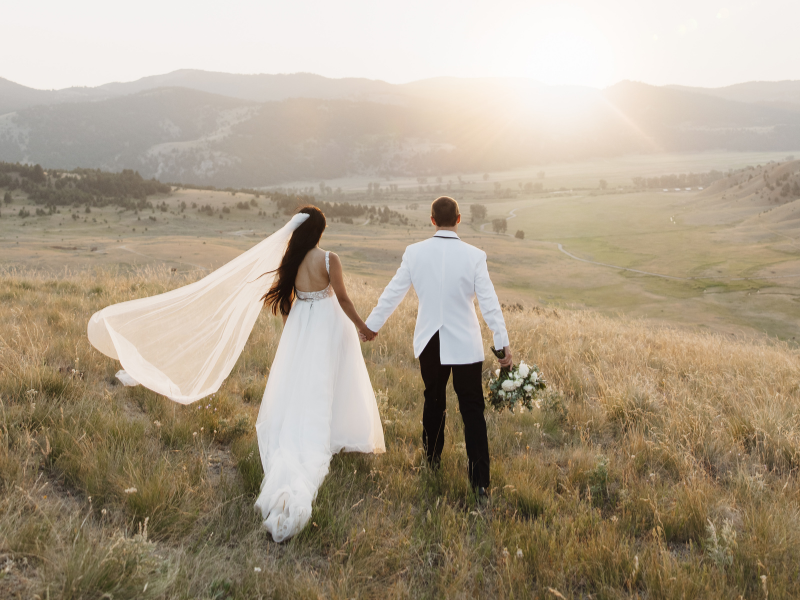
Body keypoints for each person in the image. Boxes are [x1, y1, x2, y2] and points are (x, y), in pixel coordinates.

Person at [87, 207, 385, 543]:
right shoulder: (329, 259)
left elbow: (289, 301)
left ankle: (308, 435)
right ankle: (326, 440)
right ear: (320, 231)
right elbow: (342, 297)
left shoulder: (292, 260)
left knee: (303, 386)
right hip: (327, 326)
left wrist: (295, 334)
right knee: (328, 383)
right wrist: (362, 326)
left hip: (301, 327)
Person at [363, 196, 511, 499]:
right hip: (465, 343)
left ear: (432, 220)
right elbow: (489, 303)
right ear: (459, 219)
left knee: (434, 402)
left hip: (430, 340)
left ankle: (431, 464)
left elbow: (393, 293)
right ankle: (479, 482)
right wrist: (501, 344)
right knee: (472, 410)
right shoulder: (475, 256)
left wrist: (372, 325)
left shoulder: (414, 253)